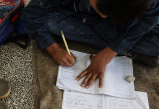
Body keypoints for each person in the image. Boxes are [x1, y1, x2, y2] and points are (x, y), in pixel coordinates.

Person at [21, 0, 159, 88]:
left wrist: (109, 52)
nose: (104, 16)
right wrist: (53, 48)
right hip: (76, 13)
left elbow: (149, 20)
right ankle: (129, 49)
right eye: (103, 10)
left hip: (121, 22)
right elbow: (32, 15)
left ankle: (124, 45)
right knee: (49, 21)